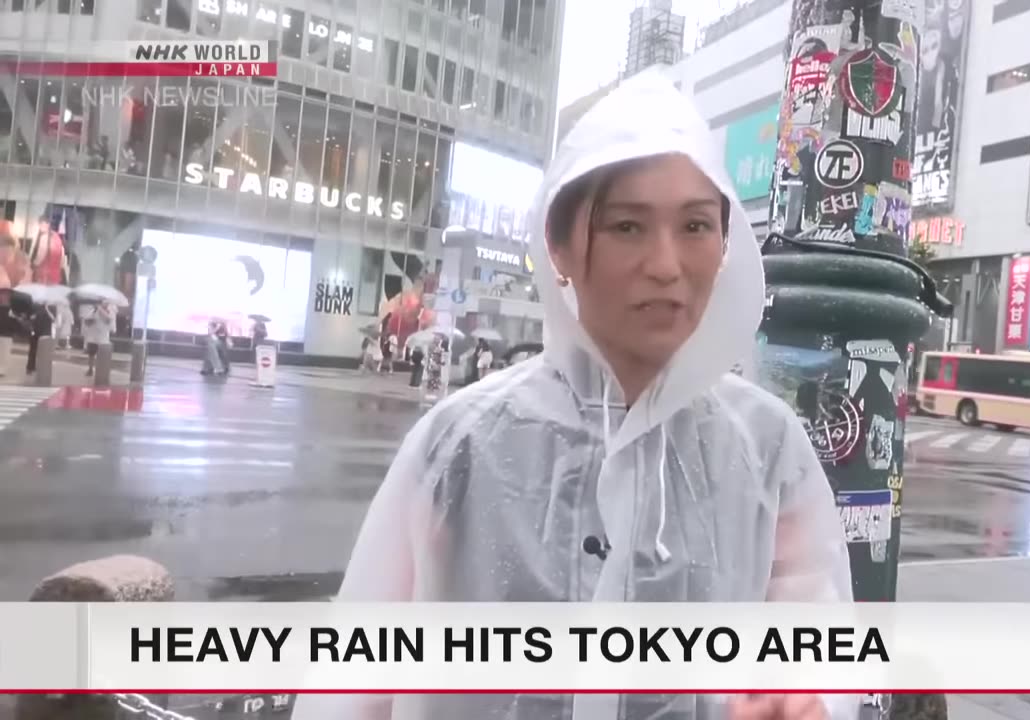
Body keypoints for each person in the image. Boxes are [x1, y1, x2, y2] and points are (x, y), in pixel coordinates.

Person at [293, 72, 851, 720]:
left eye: (697, 225)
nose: (667, 265)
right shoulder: (464, 444)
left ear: (727, 244)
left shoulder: (766, 447)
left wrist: (802, 702)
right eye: (627, 227)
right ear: (558, 246)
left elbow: (816, 639)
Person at [81, 301, 114, 377]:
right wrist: (90, 320)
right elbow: (87, 322)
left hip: (103, 339)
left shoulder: (109, 312)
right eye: (103, 303)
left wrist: (100, 310)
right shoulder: (94, 311)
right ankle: (90, 369)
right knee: (91, 355)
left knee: (102, 356)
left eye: (107, 303)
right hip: (93, 337)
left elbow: (108, 320)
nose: (105, 304)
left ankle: (101, 370)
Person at [25, 303, 55, 374]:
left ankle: (42, 368)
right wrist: (32, 318)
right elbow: (29, 317)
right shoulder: (34, 306)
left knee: (44, 352)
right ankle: (30, 368)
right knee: (33, 351)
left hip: (45, 333)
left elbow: (53, 319)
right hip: (35, 331)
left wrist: (47, 308)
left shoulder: (51, 307)